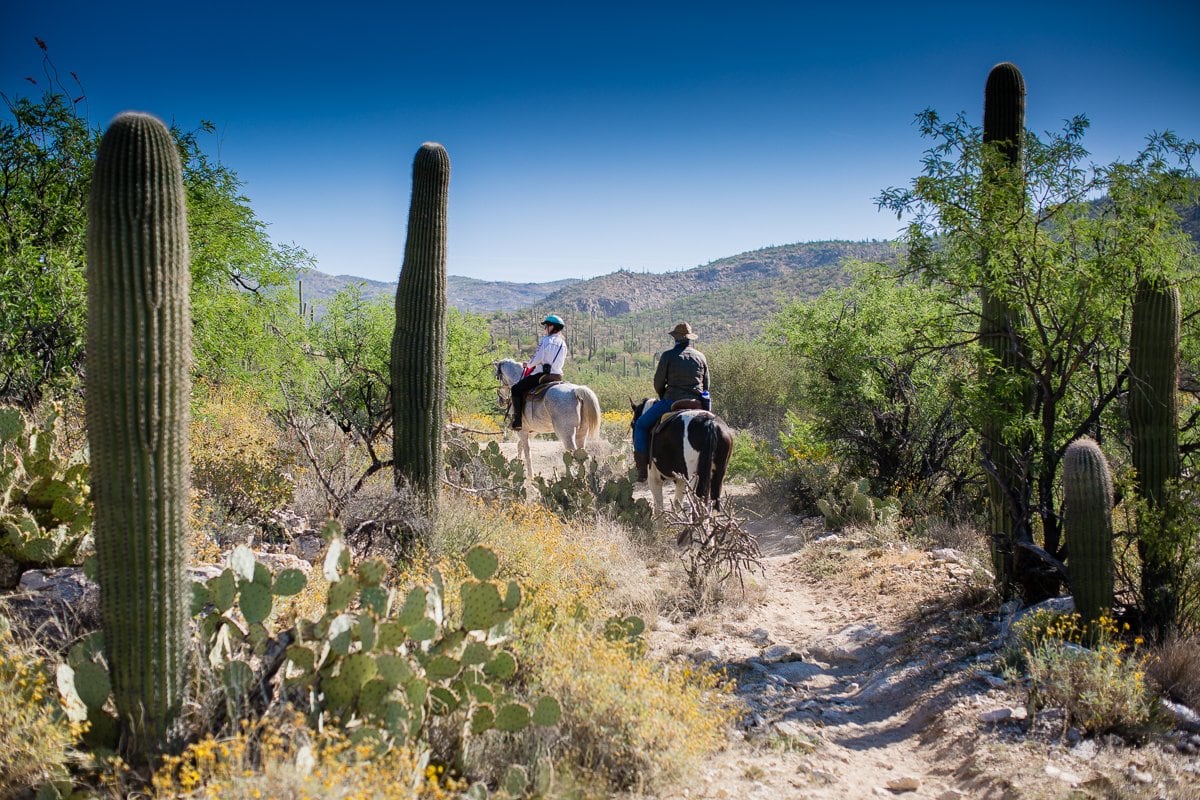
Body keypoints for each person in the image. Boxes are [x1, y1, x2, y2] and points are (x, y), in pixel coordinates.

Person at [632, 322, 710, 482]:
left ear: (676, 338)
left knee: (640, 424)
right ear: (689, 338)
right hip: (697, 403)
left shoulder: (668, 356)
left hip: (672, 401)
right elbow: (706, 385)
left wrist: (663, 395)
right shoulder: (701, 356)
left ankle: (641, 469)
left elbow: (658, 382)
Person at [510, 314, 568, 430]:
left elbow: (538, 357)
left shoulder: (546, 340)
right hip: (557, 376)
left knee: (515, 389)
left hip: (543, 375)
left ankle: (518, 420)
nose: (545, 328)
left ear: (552, 327)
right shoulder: (563, 343)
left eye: (546, 326)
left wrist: (528, 364)